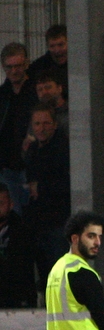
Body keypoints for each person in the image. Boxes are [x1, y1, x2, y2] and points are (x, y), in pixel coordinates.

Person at [22, 104, 70, 281]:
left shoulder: (64, 149)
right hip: (39, 222)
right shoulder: (33, 150)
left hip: (58, 221)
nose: (41, 128)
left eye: (46, 123)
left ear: (55, 124)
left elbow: (68, 184)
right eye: (37, 124)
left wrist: (40, 188)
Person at [0, 42, 37, 213]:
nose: (14, 71)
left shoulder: (36, 92)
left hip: (32, 165)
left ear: (26, 64)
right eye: (9, 67)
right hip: (7, 165)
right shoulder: (3, 94)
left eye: (18, 66)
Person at [0, 182, 35, 307]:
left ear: (11, 205)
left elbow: (24, 270)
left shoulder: (22, 231)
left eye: (1, 203)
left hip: (15, 297)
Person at [29, 24, 68, 90]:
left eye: (60, 45)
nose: (57, 50)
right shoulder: (38, 67)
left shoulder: (80, 64)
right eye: (52, 46)